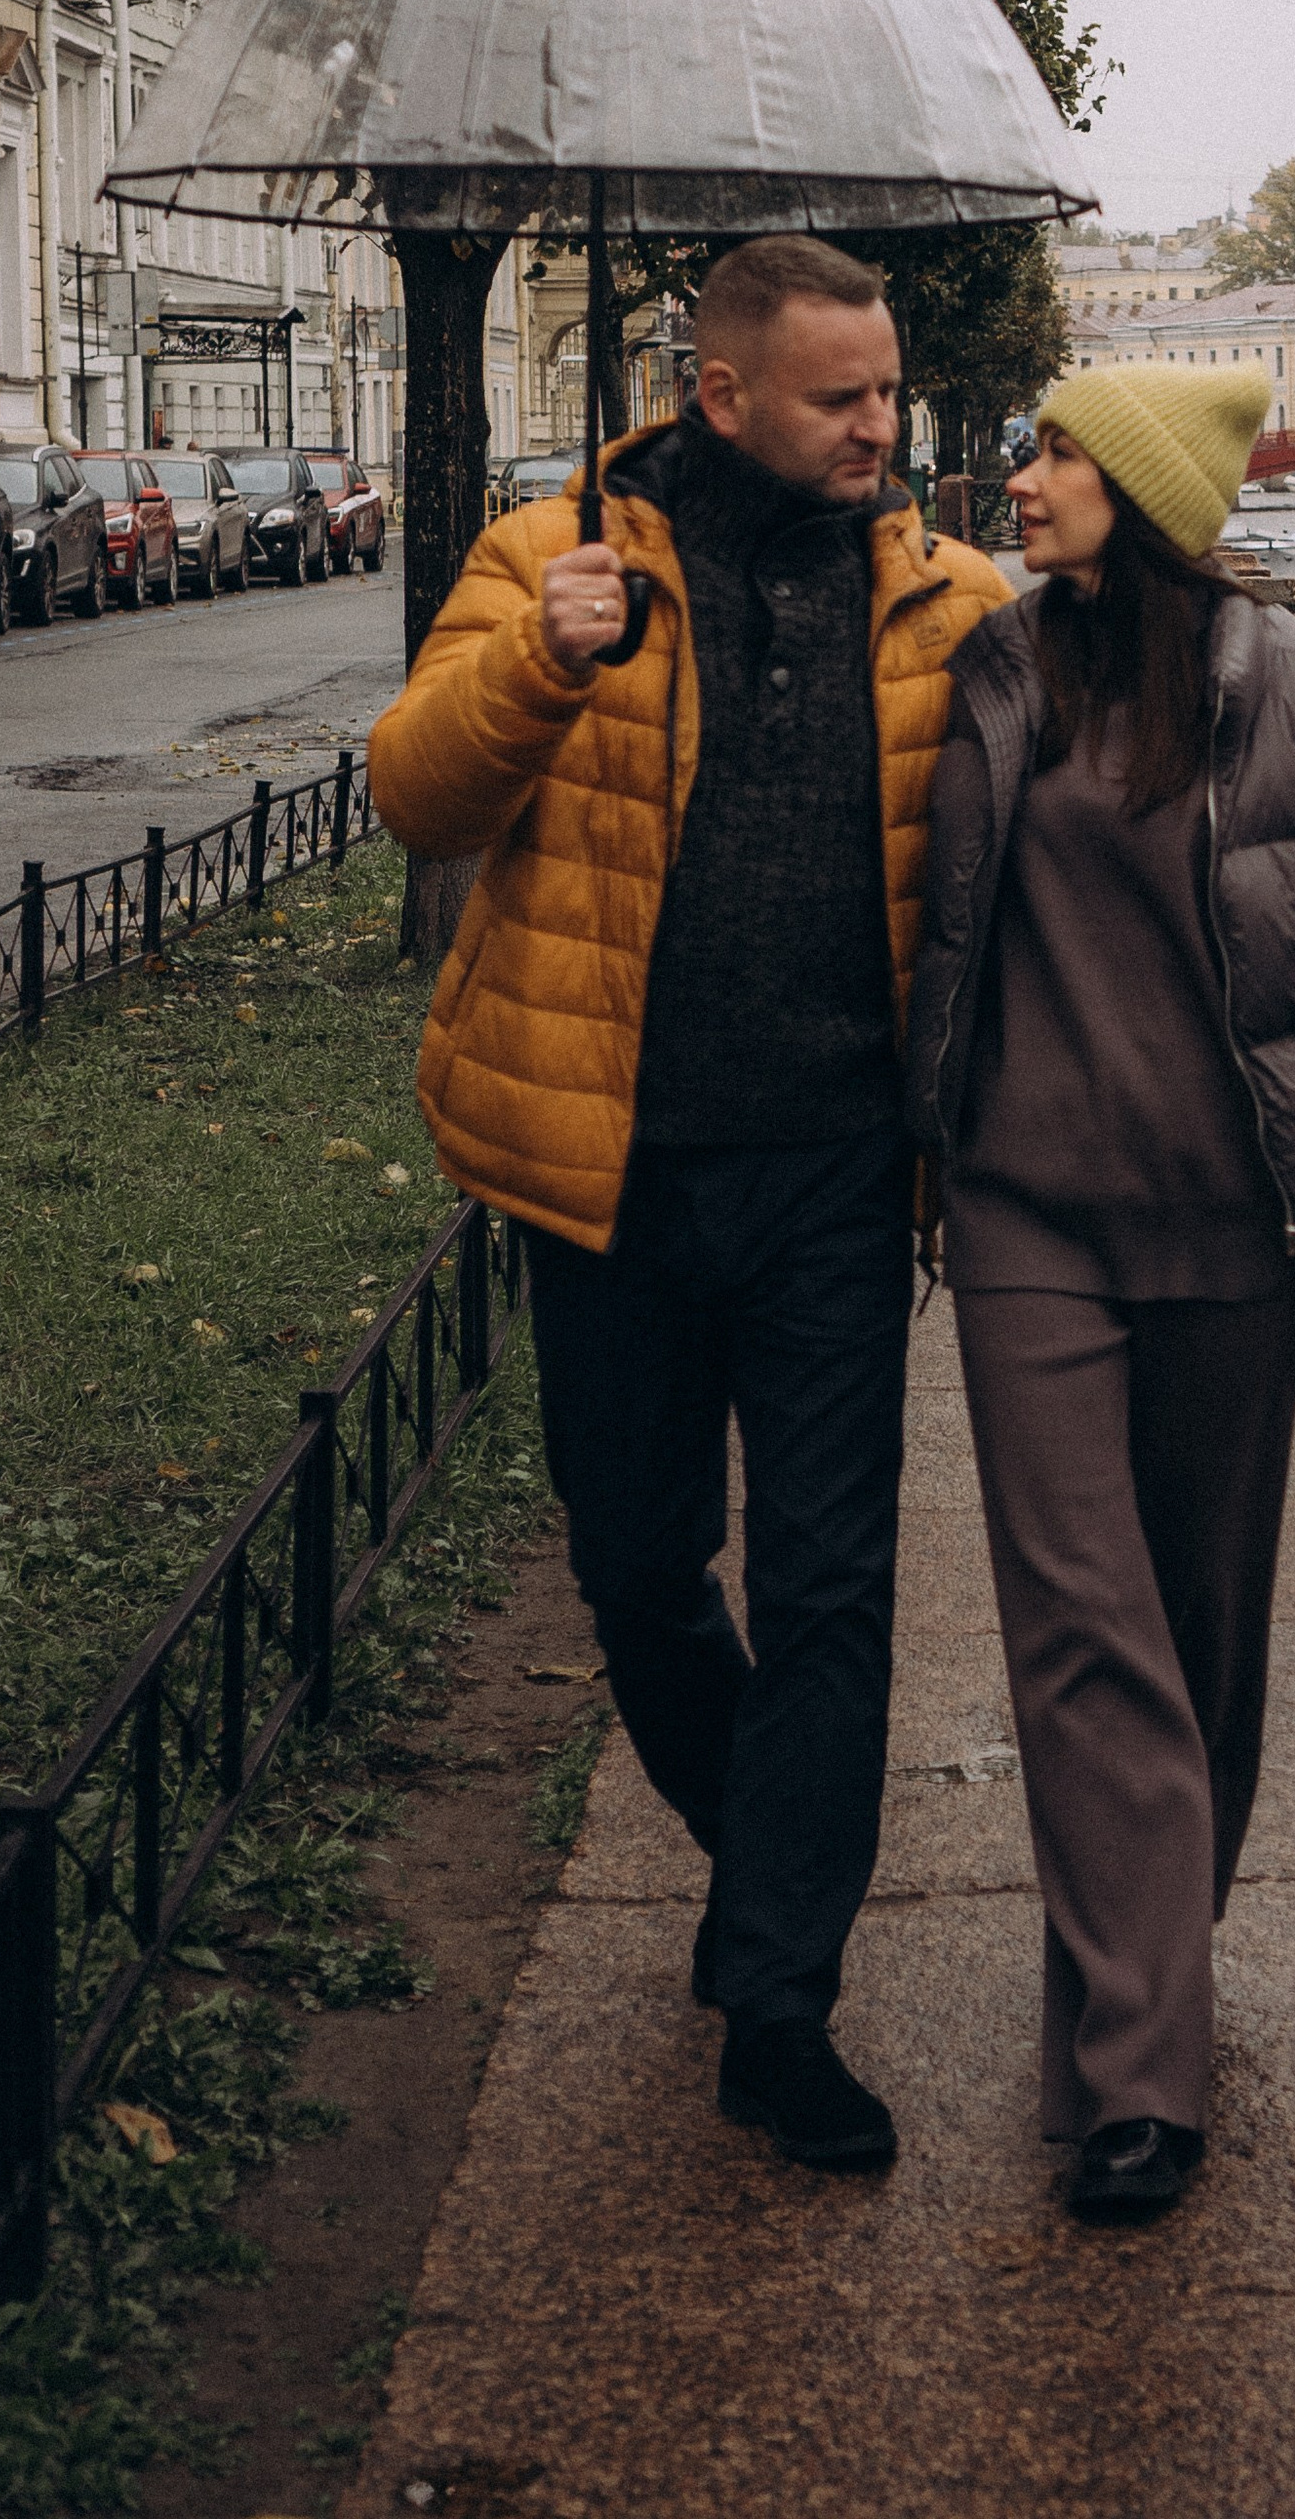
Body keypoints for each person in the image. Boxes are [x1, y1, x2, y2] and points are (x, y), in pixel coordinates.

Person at [368, 233, 1008, 2173]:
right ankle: (777, 1855)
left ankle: (779, 2006)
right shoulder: (559, 560)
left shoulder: (948, 600)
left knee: (831, 1590)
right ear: (722, 393)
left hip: (831, 1176)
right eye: (842, 400)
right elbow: (416, 795)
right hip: (608, 1174)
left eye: (888, 393)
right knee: (640, 1570)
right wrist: (534, 665)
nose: (879, 430)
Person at [906, 363, 1295, 2224]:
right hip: (1022, 1221)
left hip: (1235, 1229)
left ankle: (1134, 1956)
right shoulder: (991, 667)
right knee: (1083, 1630)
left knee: (1205, 1636)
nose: (1022, 473)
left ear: (1139, 493)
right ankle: (1145, 2084)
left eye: (1057, 450)